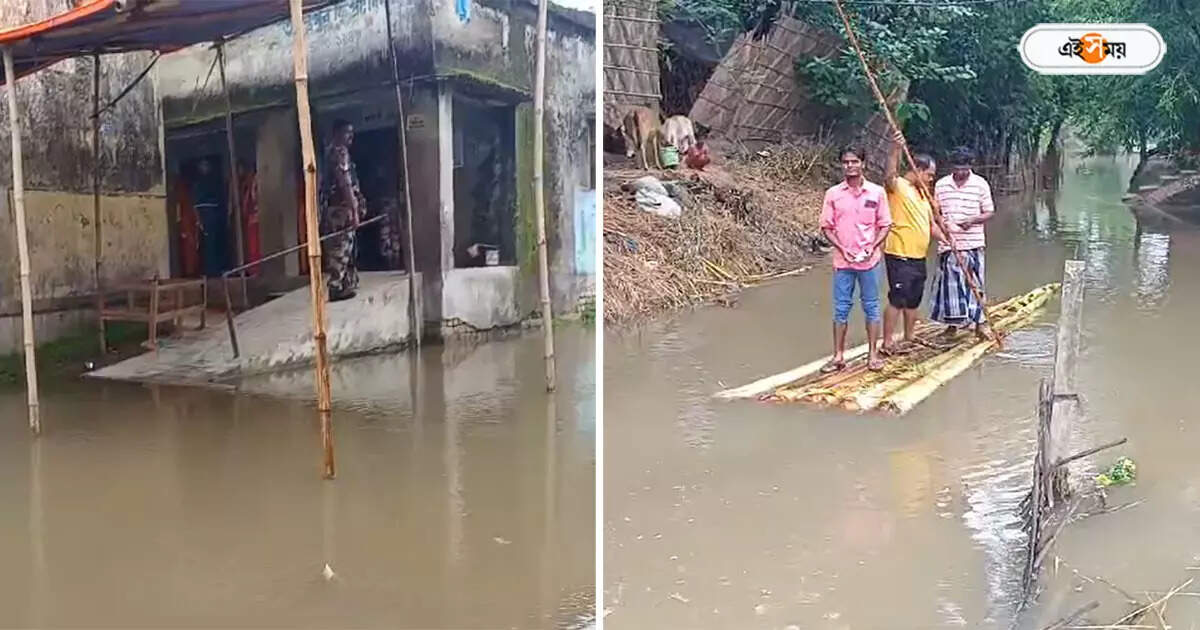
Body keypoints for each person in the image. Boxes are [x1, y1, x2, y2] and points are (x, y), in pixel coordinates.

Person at [819, 147, 892, 373]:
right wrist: (841, 247)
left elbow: (885, 224)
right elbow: (827, 227)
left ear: (863, 163)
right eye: (845, 162)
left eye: (854, 161)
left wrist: (873, 246)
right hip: (843, 262)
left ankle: (872, 356)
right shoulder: (833, 194)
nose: (849, 166)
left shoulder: (876, 192)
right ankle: (838, 356)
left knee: (871, 306)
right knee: (841, 308)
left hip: (869, 261)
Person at [880, 131, 944, 355]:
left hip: (918, 256)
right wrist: (896, 149)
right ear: (917, 169)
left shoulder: (923, 195)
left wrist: (948, 240)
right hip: (899, 254)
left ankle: (910, 335)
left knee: (914, 298)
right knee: (897, 298)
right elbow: (889, 175)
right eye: (929, 174)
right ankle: (887, 342)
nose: (931, 179)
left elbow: (930, 226)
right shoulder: (899, 188)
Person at [931, 146, 995, 340]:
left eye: (964, 168)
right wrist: (942, 225)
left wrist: (972, 220)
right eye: (957, 168)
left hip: (973, 243)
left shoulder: (980, 184)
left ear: (970, 166)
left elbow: (989, 212)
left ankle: (980, 323)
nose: (960, 172)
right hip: (949, 244)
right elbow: (935, 212)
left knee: (976, 284)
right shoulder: (941, 185)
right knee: (951, 287)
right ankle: (952, 325)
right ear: (952, 167)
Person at [319, 119, 366, 301]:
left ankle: (346, 282)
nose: (351, 136)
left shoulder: (331, 153)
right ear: (337, 133)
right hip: (340, 210)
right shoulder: (339, 152)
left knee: (346, 248)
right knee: (340, 248)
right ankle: (335, 286)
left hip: (337, 209)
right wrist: (354, 210)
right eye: (347, 132)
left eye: (351, 132)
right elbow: (344, 184)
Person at [191, 157, 228, 278]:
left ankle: (216, 269)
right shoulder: (197, 184)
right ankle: (210, 271)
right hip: (205, 215)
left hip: (215, 214)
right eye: (203, 165)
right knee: (208, 244)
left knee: (217, 242)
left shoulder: (215, 182)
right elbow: (195, 206)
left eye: (207, 165)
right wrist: (199, 221)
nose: (205, 168)